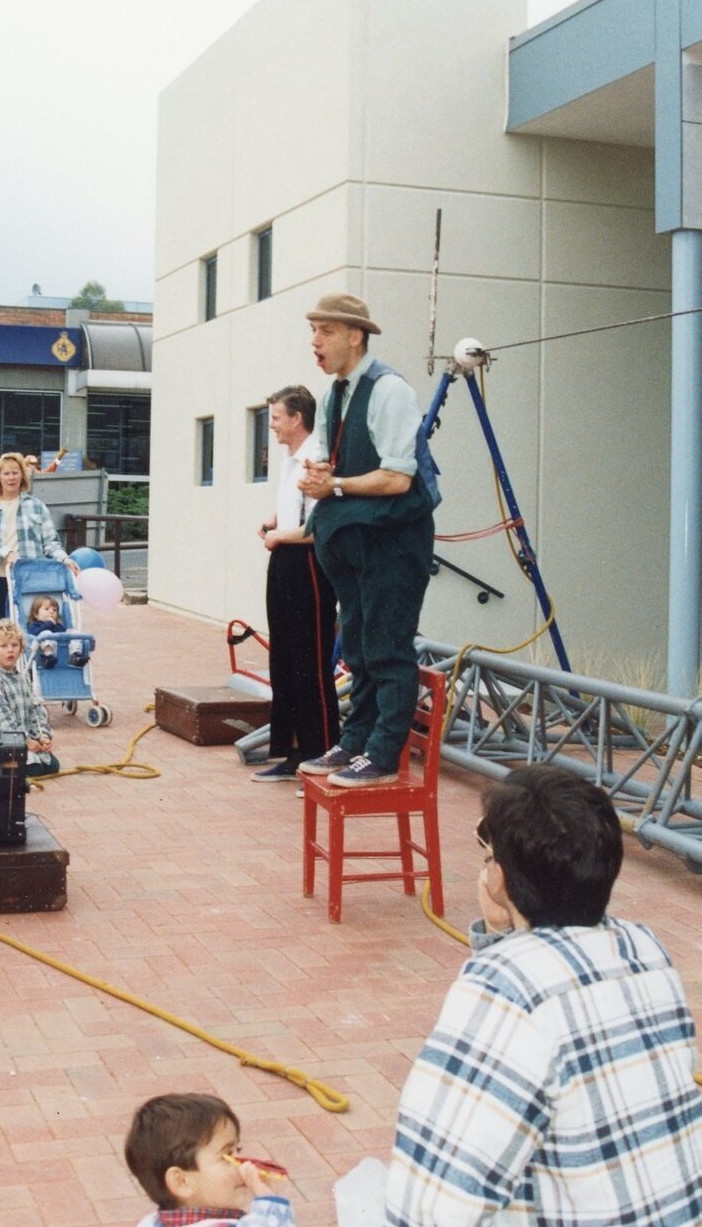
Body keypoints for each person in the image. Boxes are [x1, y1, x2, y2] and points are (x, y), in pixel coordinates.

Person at [384, 766, 702, 1226]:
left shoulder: (504, 990)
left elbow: (428, 1207)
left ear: (500, 877)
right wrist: (500, 931)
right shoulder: (645, 949)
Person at [297, 294, 436, 788]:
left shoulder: (389, 390)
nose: (315, 341)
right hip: (356, 547)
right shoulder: (337, 391)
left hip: (393, 547)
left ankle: (382, 755)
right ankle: (355, 743)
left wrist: (333, 485)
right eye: (313, 329)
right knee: (356, 646)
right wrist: (321, 474)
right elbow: (346, 462)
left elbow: (398, 479)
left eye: (325, 331)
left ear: (355, 336)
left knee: (387, 649)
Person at [252, 386, 339, 782]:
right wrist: (275, 520)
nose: (270, 425)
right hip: (284, 559)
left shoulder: (315, 459)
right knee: (284, 658)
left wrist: (282, 536)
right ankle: (292, 753)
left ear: (296, 419)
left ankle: (321, 753)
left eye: (275, 417)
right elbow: (294, 508)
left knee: (311, 662)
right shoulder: (290, 460)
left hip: (308, 564)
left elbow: (320, 527)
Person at [124, 1093, 295, 1227]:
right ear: (182, 1181)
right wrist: (271, 1205)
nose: (242, 1163)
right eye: (227, 1155)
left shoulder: (152, 1222)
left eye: (238, 1151)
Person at [0, 451, 80, 621]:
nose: (11, 478)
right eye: (6, 473)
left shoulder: (36, 506)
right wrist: (6, 553)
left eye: (15, 473)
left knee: (29, 630)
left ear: (23, 476)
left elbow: (50, 542)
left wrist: (64, 558)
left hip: (29, 580)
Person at [0, 619, 59, 778]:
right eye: (3, 646)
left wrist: (42, 736)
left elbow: (35, 710)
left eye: (14, 645)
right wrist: (25, 740)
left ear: (20, 649)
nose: (10, 650)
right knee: (34, 770)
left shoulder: (23, 679)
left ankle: (22, 760)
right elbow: (1, 721)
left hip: (21, 740)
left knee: (52, 766)